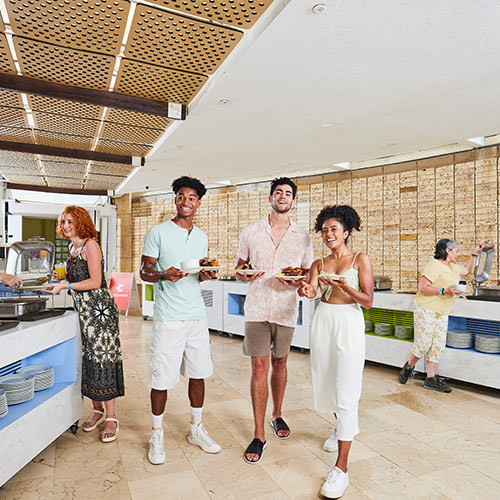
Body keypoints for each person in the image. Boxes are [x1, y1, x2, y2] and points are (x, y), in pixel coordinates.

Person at [140, 176, 220, 465]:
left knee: (198, 373)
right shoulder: (157, 232)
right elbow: (144, 272)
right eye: (181, 196)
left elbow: (197, 273)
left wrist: (207, 274)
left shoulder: (201, 237)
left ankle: (196, 429)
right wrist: (163, 274)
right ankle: (157, 433)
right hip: (169, 318)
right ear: (175, 200)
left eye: (192, 197)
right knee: (161, 377)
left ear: (198, 203)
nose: (186, 201)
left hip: (196, 315)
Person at [236, 177, 313, 464]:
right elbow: (240, 267)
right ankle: (258, 434)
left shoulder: (303, 236)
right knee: (259, 366)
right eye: (278, 192)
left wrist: (300, 282)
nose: (283, 196)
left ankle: (277, 415)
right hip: (256, 308)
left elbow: (306, 272)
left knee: (280, 362)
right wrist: (243, 274)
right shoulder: (251, 231)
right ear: (270, 197)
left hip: (285, 309)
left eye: (288, 193)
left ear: (293, 201)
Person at [298, 205, 373, 499]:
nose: (329, 234)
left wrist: (344, 284)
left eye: (334, 230)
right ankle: (340, 426)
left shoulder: (360, 259)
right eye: (325, 230)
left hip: (348, 323)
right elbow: (313, 292)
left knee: (347, 388)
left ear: (346, 232)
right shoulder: (318, 263)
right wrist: (303, 290)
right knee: (328, 381)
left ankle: (341, 469)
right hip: (323, 323)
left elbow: (367, 300)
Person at [45, 206, 124, 442]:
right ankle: (97, 410)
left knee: (103, 359)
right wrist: (62, 280)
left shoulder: (91, 244)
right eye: (64, 222)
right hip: (83, 311)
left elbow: (95, 281)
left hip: (100, 313)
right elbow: (76, 279)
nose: (66, 226)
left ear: (80, 222)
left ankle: (111, 416)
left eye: (70, 221)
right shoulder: (72, 248)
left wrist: (66, 286)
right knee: (88, 360)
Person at [399, 239, 487, 393]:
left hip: (442, 311)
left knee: (438, 345)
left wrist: (475, 253)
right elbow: (423, 287)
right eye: (457, 251)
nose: (458, 254)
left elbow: (466, 270)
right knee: (424, 343)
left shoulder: (451, 267)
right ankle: (409, 366)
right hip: (426, 308)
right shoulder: (434, 265)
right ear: (448, 251)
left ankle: (430, 379)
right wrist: (443, 291)